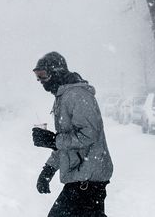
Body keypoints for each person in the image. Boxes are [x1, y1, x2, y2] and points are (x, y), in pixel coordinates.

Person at [31, 52, 113, 217]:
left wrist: (53, 140)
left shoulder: (77, 95)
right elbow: (68, 141)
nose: (40, 81)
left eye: (43, 76)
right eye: (37, 77)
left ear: (57, 72)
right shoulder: (64, 96)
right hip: (82, 177)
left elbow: (89, 135)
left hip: (88, 179)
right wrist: (49, 169)